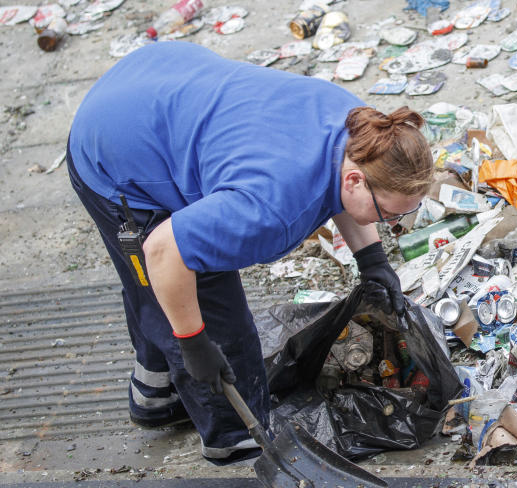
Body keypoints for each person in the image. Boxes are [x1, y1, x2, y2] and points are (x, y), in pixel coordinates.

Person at [67, 41, 433, 465]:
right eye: (387, 214)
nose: (387, 224)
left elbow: (353, 196)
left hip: (156, 82)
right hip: (114, 151)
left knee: (153, 288)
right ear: (354, 180)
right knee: (215, 323)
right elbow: (163, 251)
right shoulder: (269, 211)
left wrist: (372, 260)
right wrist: (193, 342)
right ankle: (235, 441)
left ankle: (153, 395)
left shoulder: (361, 129)